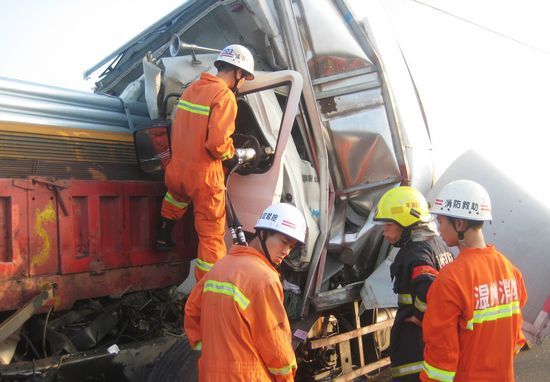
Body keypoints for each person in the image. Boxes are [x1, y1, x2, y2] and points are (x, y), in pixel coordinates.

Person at [155, 44, 255, 281]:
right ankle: (209, 289)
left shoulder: (191, 89)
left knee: (175, 198)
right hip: (204, 178)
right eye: (244, 78)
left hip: (177, 171)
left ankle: (163, 234)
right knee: (211, 237)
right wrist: (235, 154)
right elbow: (217, 144)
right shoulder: (225, 96)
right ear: (238, 73)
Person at [184, 202, 306, 381]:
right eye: (284, 242)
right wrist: (286, 378)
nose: (286, 251)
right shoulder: (264, 279)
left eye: (291, 246)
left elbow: (192, 312)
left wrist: (211, 352)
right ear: (263, 233)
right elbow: (274, 342)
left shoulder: (220, 267)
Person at [420, 180, 527, 382]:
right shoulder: (510, 270)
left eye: (441, 221)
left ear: (460, 224)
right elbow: (516, 338)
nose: (438, 228)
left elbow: (440, 355)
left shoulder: (450, 280)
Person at [373, 186, 453, 381]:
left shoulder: (415, 252)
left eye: (388, 225)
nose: (384, 232)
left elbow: (428, 288)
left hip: (415, 346)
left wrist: (420, 317)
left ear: (407, 223)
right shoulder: (438, 244)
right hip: (435, 343)